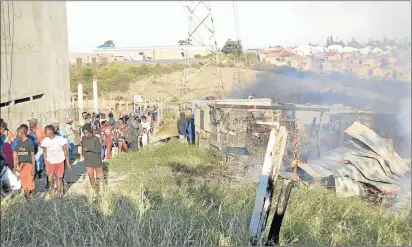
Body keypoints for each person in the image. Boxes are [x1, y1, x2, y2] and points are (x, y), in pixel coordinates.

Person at [41, 125, 71, 197]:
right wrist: (45, 163)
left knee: (59, 178)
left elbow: (65, 151)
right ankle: (52, 189)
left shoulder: (60, 139)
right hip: (50, 162)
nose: (45, 132)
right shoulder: (45, 141)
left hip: (59, 161)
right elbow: (44, 153)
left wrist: (67, 162)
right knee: (50, 179)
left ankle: (59, 193)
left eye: (46, 131)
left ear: (51, 131)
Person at [13, 125, 36, 199]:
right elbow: (16, 153)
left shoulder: (30, 142)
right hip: (21, 165)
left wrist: (33, 168)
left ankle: (34, 198)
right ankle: (28, 200)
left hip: (29, 165)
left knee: (30, 183)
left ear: (22, 133)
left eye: (18, 132)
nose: (16, 134)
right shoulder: (19, 142)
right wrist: (15, 166)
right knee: (24, 183)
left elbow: (32, 155)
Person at [81, 124, 103, 192]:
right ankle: (95, 190)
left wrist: (89, 149)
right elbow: (83, 148)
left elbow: (99, 150)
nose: (85, 134)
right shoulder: (83, 139)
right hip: (88, 162)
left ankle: (100, 189)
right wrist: (83, 152)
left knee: (99, 177)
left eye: (86, 133)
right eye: (84, 133)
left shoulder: (96, 139)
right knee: (91, 176)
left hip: (97, 161)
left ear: (90, 131)